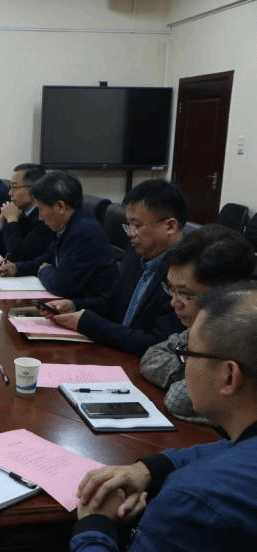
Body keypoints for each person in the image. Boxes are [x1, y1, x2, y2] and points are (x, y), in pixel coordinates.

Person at [72, 282, 257, 552]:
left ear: (229, 376)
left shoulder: (193, 501)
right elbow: (227, 449)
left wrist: (95, 525)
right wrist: (149, 469)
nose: (185, 364)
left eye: (187, 354)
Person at [47, 180, 187, 355]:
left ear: (170, 226)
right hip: (115, 353)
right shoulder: (139, 254)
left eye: (137, 226)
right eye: (128, 225)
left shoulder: (186, 274)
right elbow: (113, 302)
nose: (130, 234)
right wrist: (74, 305)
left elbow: (157, 345)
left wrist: (88, 323)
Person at [140, 224, 255, 424]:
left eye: (185, 294)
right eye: (172, 289)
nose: (174, 302)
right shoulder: (207, 325)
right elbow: (152, 357)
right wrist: (197, 366)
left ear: (225, 295)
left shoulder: (244, 334)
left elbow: (177, 399)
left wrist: (190, 365)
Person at [0, 171, 117, 300]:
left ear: (60, 206)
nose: (40, 217)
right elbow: (47, 257)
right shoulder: (68, 223)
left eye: (41, 209)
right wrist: (17, 268)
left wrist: (43, 271)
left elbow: (61, 286)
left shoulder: (83, 232)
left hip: (87, 307)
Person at [0, 163, 54, 262]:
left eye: (14, 187)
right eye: (10, 187)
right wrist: (1, 224)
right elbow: (1, 251)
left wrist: (12, 220)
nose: (10, 193)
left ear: (33, 189)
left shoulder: (44, 217)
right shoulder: (21, 211)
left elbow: (18, 255)